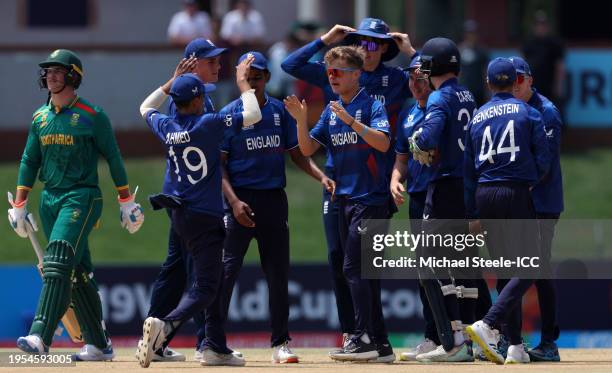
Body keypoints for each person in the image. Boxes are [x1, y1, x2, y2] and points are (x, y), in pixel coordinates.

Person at [281, 18, 416, 356]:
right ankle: (363, 336)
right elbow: (308, 148)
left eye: (374, 43)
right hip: (341, 191)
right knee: (343, 262)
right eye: (361, 42)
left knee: (361, 267)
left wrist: (411, 51)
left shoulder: (380, 93)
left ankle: (368, 337)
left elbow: (430, 77)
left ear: (383, 48)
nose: (333, 76)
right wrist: (325, 40)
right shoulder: (332, 101)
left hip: (372, 190)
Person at [10, 49, 144, 360]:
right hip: (50, 199)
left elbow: (113, 157)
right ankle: (99, 343)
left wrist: (126, 201)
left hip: (82, 197)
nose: (50, 76)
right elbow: (30, 160)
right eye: (48, 71)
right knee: (78, 271)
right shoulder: (40, 117)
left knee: (57, 260)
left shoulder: (92, 116)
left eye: (58, 71)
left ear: (73, 76)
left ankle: (40, 335)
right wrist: (19, 204)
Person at [203, 51, 334, 364]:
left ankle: (280, 343)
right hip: (240, 200)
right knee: (226, 272)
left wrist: (321, 176)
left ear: (267, 78)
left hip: (273, 199)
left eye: (258, 77)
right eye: (248, 78)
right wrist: (234, 202)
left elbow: (297, 154)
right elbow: (217, 167)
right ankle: (212, 343)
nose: (253, 83)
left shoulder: (279, 111)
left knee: (277, 274)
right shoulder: (229, 114)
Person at [136, 54, 260, 368]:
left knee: (201, 280)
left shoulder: (168, 125)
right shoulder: (207, 124)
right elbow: (253, 114)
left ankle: (213, 347)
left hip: (179, 216)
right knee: (207, 287)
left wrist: (169, 83)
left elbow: (146, 108)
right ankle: (166, 328)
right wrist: (244, 84)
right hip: (205, 216)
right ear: (198, 100)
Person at [143, 37, 228, 363]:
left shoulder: (193, 100)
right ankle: (208, 343)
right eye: (210, 60)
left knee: (176, 269)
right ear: (192, 62)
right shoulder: (193, 102)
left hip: (181, 202)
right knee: (202, 276)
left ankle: (157, 337)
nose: (217, 65)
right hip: (196, 203)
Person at [465, 57, 550, 365]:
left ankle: (514, 345)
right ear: (515, 82)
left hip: (485, 193)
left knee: (505, 268)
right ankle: (488, 323)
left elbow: (468, 169)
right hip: (515, 190)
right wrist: (528, 182)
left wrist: (473, 209)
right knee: (531, 264)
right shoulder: (528, 112)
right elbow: (544, 158)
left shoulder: (476, 117)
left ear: (488, 83)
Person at [406, 37, 478, 362]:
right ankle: (467, 337)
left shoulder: (439, 97)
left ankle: (452, 341)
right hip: (466, 186)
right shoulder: (468, 94)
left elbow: (429, 136)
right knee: (461, 263)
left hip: (445, 185)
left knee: (428, 261)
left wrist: (416, 141)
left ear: (432, 67)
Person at [510, 56, 563, 362]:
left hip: (542, 203)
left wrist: (518, 188)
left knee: (538, 269)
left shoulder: (546, 112)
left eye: (520, 79)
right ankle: (512, 337)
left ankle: (548, 341)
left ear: (530, 80)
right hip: (522, 202)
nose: (515, 84)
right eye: (511, 79)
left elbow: (543, 165)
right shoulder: (515, 110)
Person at [389, 56, 440, 361]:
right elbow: (401, 159)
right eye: (412, 79)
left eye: (422, 78)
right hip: (419, 196)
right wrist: (395, 181)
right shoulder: (408, 114)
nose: (416, 85)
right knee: (424, 267)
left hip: (444, 194)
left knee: (457, 266)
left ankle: (474, 329)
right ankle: (433, 336)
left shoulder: (440, 108)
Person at [522, 10, 566, 109]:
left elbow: (560, 66)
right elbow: (522, 65)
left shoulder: (554, 43)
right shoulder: (528, 43)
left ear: (547, 26)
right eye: (538, 24)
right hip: (532, 86)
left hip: (549, 88)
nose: (540, 27)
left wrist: (558, 87)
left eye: (543, 24)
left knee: (551, 112)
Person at [458, 20, 489, 106]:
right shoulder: (459, 50)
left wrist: (487, 91)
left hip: (479, 91)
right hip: (464, 91)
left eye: (473, 33)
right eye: (469, 33)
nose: (471, 36)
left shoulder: (482, 51)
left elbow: (485, 72)